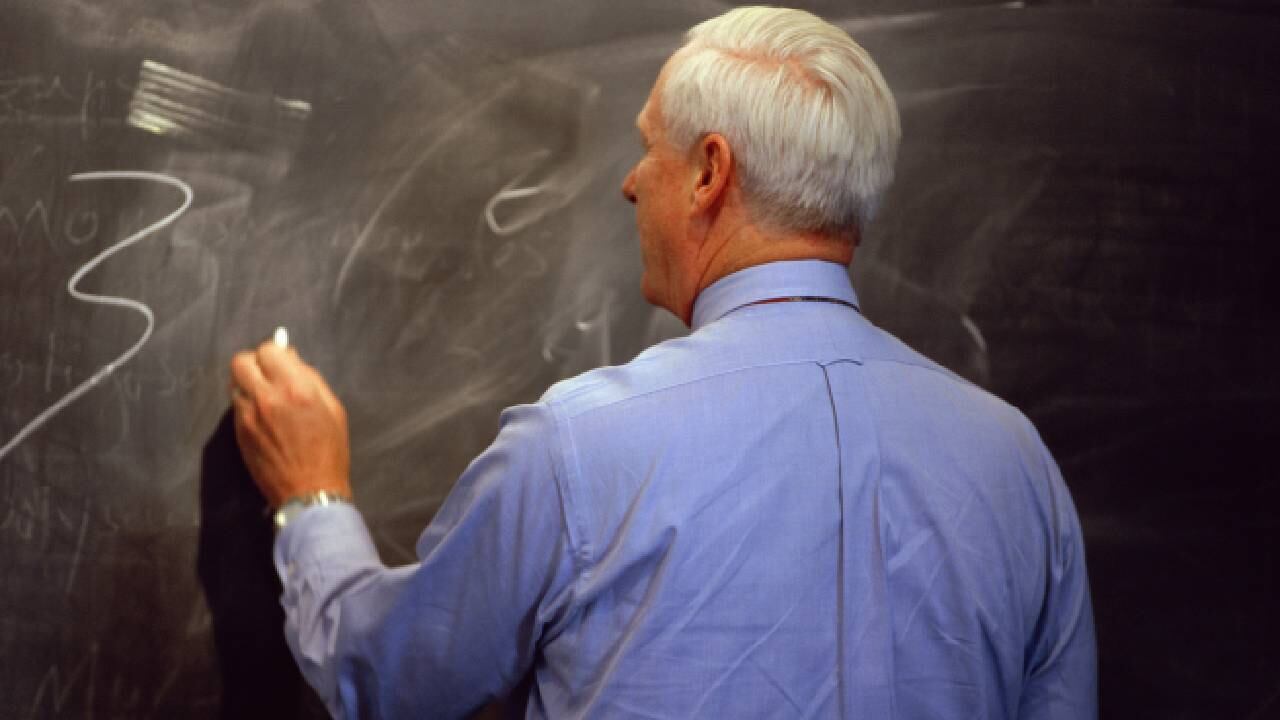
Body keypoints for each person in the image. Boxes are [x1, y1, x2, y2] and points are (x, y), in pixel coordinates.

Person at [230, 7, 1096, 719]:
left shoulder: (580, 448)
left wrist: (311, 498)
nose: (630, 181)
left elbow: (390, 679)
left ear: (709, 171)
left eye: (651, 147)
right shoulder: (1016, 464)